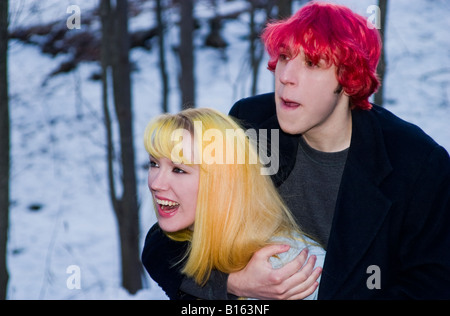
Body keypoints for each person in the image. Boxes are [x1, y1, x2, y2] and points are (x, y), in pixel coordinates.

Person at [142, 2, 450, 299]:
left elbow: (433, 285)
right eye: (285, 57)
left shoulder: (417, 163)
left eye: (312, 63)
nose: (286, 76)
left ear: (348, 79)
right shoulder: (254, 124)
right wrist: (233, 283)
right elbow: (170, 238)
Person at [142, 107, 325, 300]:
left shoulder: (293, 268)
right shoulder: (184, 247)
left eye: (178, 169)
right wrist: (232, 284)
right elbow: (155, 250)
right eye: (154, 164)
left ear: (223, 182)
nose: (155, 183)